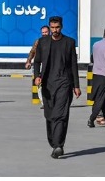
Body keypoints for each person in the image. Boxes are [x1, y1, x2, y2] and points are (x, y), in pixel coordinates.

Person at [33, 16, 81, 159]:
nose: (55, 30)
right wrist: (37, 76)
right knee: (49, 116)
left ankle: (58, 145)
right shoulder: (43, 42)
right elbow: (37, 62)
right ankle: (53, 142)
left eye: (57, 27)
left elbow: (73, 65)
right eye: (52, 27)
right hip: (47, 84)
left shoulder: (69, 42)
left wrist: (76, 85)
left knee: (61, 115)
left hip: (64, 83)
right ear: (49, 27)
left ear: (62, 26)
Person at [88, 25, 105, 128]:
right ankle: (91, 119)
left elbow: (92, 58)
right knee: (100, 98)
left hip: (96, 74)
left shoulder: (96, 44)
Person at [25, 25, 50, 108]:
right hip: (39, 65)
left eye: (46, 32)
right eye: (43, 32)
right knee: (39, 84)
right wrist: (28, 61)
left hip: (50, 66)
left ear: (49, 32)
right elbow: (32, 52)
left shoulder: (53, 41)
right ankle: (44, 102)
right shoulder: (38, 42)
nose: (44, 34)